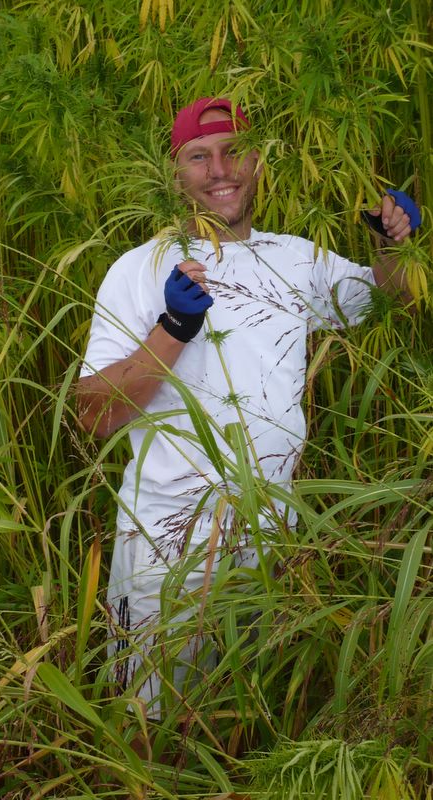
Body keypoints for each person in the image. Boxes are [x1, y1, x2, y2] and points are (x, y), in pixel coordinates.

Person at [76, 97, 421, 715]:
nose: (220, 170)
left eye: (234, 150)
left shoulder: (295, 259)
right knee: (151, 728)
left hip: (273, 548)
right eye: (198, 156)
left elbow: (385, 300)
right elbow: (94, 414)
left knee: (254, 722)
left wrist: (392, 244)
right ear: (173, 173)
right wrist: (173, 328)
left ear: (258, 161)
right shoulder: (137, 270)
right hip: (165, 553)